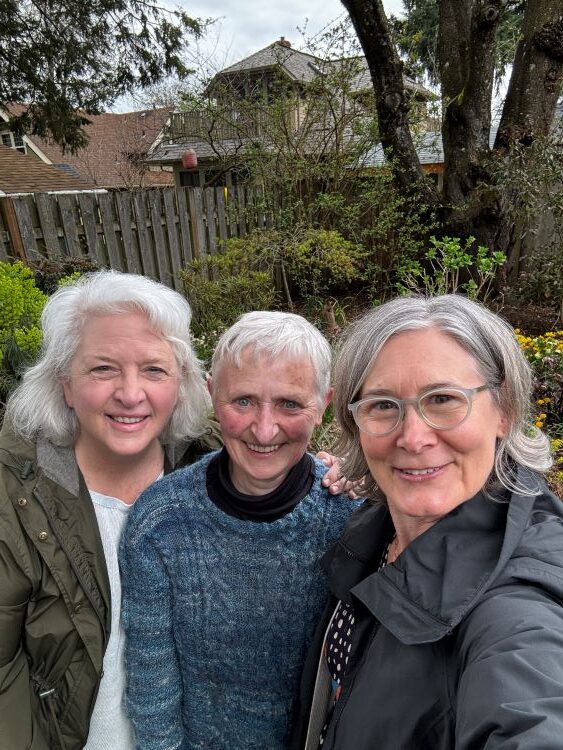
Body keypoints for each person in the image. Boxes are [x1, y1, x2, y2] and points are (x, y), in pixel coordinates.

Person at [293, 294, 563, 750]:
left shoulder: (517, 606)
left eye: (442, 399)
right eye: (382, 405)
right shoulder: (377, 529)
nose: (413, 438)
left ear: (505, 411)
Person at [0, 270, 222, 750]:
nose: (130, 393)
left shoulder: (215, 476)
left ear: (181, 383)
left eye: (154, 369)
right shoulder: (13, 501)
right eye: (103, 369)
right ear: (65, 384)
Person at [119, 311, 362, 750]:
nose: (264, 428)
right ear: (212, 393)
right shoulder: (161, 523)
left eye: (290, 403)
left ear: (324, 404)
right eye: (243, 401)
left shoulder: (353, 519)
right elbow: (151, 679)